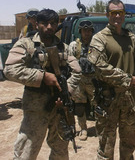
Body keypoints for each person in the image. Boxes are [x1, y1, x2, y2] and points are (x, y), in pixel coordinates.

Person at [4, 9, 81, 160]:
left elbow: (77, 73)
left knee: (60, 151)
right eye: (44, 23)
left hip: (59, 109)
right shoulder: (26, 45)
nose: (49, 27)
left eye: (53, 23)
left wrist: (67, 92)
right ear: (37, 24)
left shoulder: (64, 48)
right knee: (26, 151)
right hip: (36, 109)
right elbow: (9, 69)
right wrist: (42, 76)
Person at [87, 0, 135, 160]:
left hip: (129, 100)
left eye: (120, 12)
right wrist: (129, 79)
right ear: (108, 15)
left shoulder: (131, 38)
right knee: (106, 146)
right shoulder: (99, 39)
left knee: (129, 146)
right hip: (108, 101)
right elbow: (100, 68)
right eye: (113, 13)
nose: (117, 16)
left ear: (124, 15)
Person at [68, 19, 96, 141]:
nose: (86, 32)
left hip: (93, 79)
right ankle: (83, 129)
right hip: (79, 79)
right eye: (84, 30)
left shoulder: (96, 44)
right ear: (80, 31)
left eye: (89, 30)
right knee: (79, 106)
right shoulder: (74, 45)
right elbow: (69, 62)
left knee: (98, 104)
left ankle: (100, 127)